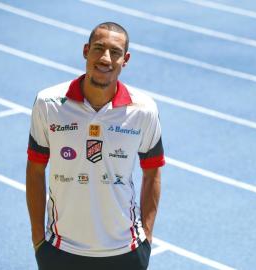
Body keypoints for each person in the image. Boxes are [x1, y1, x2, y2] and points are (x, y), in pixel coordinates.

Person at [26, 22, 165, 270]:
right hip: (62, 248)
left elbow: (153, 170)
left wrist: (148, 237)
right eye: (98, 48)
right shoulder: (48, 103)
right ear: (85, 50)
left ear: (126, 59)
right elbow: (35, 169)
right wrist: (38, 239)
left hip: (126, 251)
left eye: (115, 52)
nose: (105, 58)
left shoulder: (143, 110)